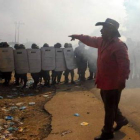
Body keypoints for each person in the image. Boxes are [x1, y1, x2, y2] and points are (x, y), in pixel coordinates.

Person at [69, 18, 130, 140]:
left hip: (113, 83)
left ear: (111, 30)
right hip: (104, 81)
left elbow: (124, 65)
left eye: (104, 28)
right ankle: (121, 120)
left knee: (109, 108)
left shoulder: (119, 45)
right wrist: (77, 36)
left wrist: (122, 81)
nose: (101, 31)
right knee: (110, 105)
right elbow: (89, 39)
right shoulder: (102, 41)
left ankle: (107, 133)